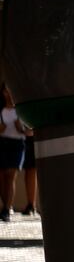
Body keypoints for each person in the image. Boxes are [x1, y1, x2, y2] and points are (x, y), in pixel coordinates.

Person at [0, 85, 29, 222]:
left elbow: (30, 131)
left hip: (17, 145)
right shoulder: (1, 110)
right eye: (6, 90)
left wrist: (21, 128)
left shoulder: (21, 109)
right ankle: (5, 206)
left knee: (11, 175)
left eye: (10, 89)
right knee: (2, 177)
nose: (8, 93)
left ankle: (7, 208)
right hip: (2, 143)